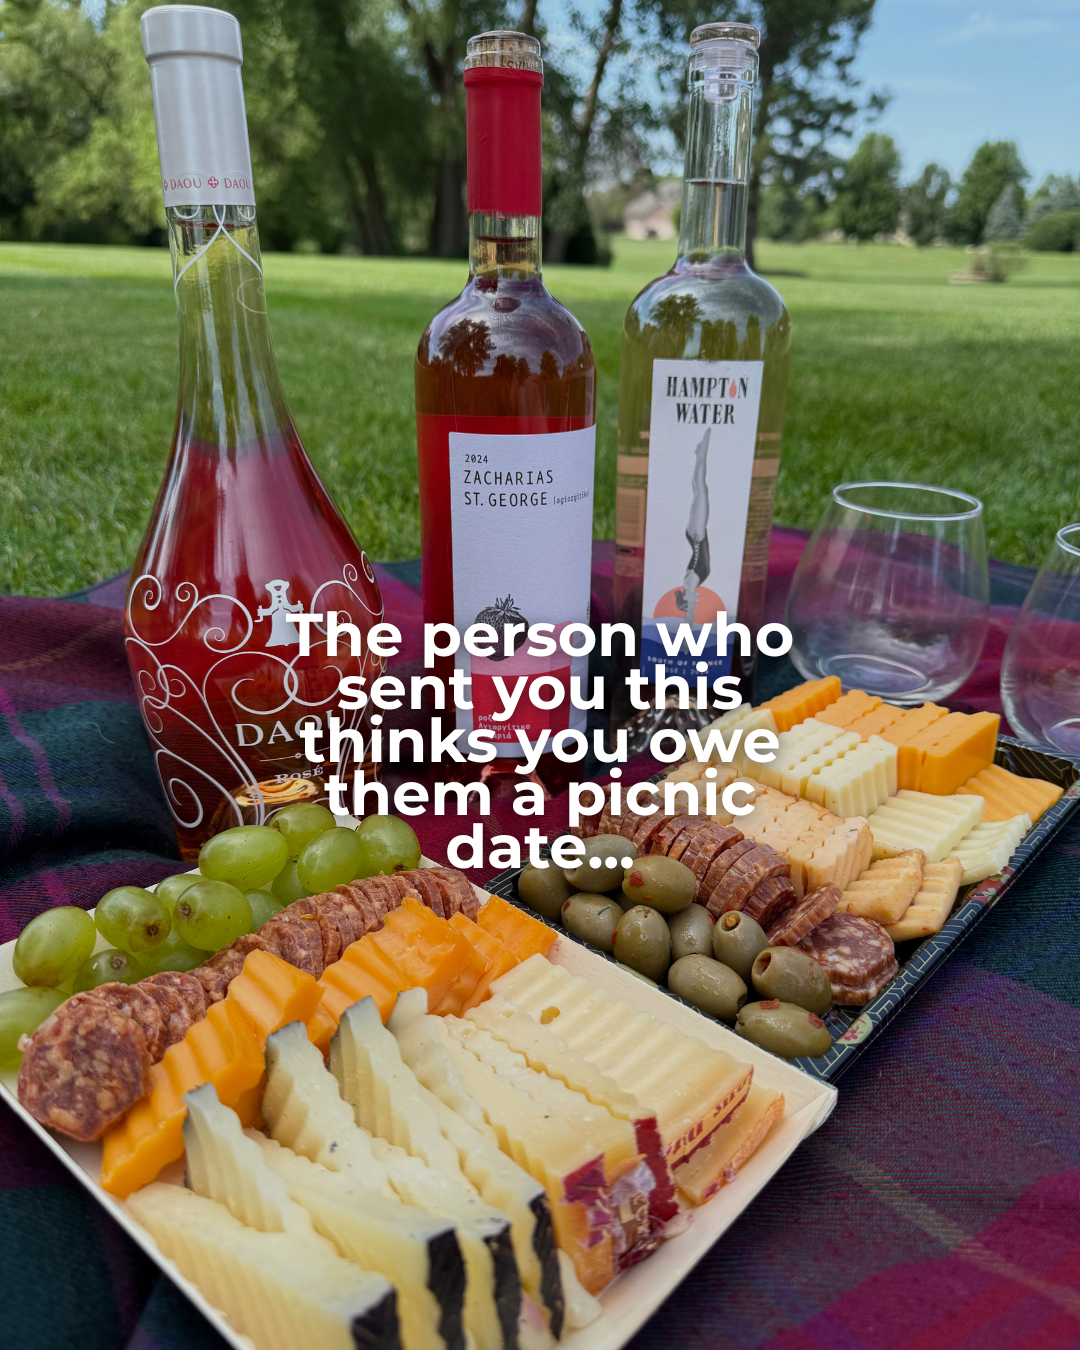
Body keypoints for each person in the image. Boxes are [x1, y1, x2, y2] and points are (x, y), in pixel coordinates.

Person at [675, 428, 711, 624]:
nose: (695, 601)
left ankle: (702, 452)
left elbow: (689, 615)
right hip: (697, 534)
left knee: (700, 489)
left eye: (690, 601)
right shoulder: (699, 578)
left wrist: (687, 636)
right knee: (699, 489)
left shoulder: (691, 581)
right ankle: (701, 453)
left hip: (697, 535)